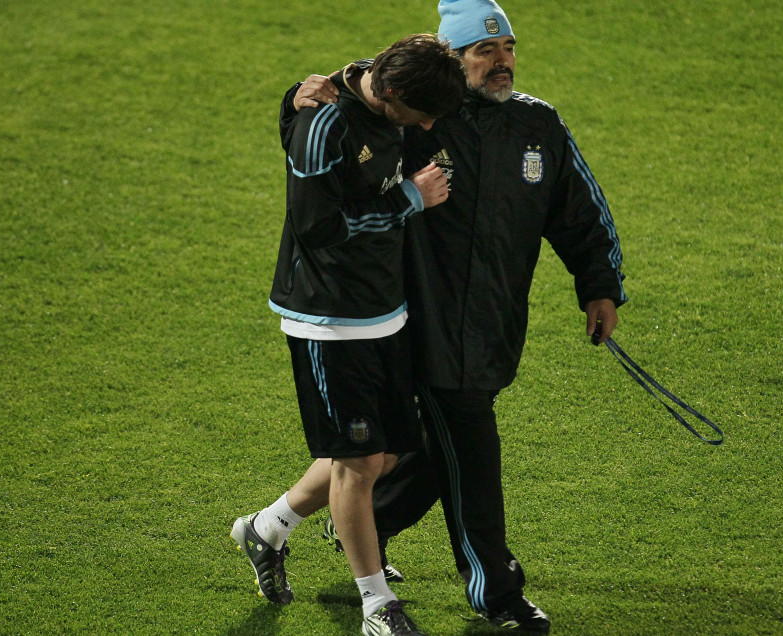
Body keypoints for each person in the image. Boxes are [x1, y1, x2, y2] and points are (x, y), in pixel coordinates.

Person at [286, 1, 627, 632]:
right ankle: (496, 591)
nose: (502, 62)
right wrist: (306, 92)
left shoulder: (538, 126)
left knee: (403, 450)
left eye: (508, 49)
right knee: (469, 453)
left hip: (490, 323)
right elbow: (364, 104)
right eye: (483, 51)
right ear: (453, 59)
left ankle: (335, 523)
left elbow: (578, 209)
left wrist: (599, 286)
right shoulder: (418, 124)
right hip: (412, 322)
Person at [230, 33, 465, 636]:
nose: (429, 124)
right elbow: (317, 227)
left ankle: (268, 527)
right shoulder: (325, 124)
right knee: (359, 464)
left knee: (381, 452)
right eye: (423, 113)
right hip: (329, 319)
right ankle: (376, 606)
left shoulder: (370, 81)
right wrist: (411, 198)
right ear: (390, 93)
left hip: (384, 307)